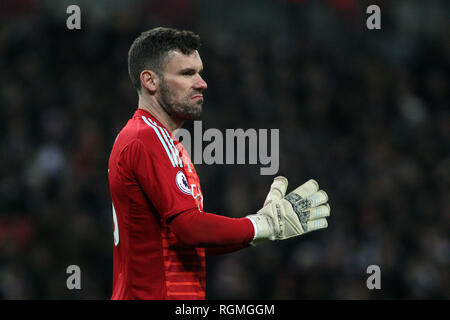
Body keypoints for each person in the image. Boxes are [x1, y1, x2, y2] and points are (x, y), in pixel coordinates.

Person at [107, 27, 331, 300]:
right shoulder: (145, 138)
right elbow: (189, 228)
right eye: (187, 73)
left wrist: (257, 230)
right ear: (150, 81)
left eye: (199, 72)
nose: (202, 83)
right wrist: (262, 225)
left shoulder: (165, 143)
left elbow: (188, 239)